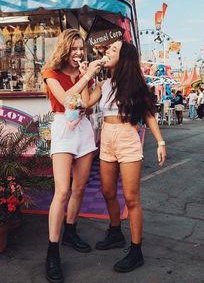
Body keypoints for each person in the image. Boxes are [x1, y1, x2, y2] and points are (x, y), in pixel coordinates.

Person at [82, 40, 167, 273]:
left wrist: (160, 142)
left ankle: (136, 250)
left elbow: (149, 114)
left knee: (131, 198)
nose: (107, 52)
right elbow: (86, 104)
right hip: (107, 137)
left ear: (124, 57)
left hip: (128, 138)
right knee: (107, 191)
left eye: (113, 50)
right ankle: (115, 231)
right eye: (107, 49)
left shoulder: (135, 84)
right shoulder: (103, 84)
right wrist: (86, 76)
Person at [42, 29, 103, 283]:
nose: (78, 53)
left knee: (79, 189)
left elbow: (86, 103)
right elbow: (67, 99)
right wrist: (86, 75)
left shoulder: (82, 73)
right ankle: (52, 251)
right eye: (74, 48)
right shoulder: (50, 73)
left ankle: (70, 230)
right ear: (64, 49)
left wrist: (94, 83)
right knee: (63, 191)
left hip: (84, 130)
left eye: (81, 49)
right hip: (63, 130)